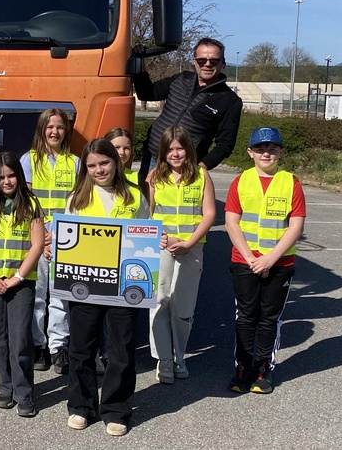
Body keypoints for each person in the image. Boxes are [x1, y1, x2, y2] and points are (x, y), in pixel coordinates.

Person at [59, 138, 149, 437]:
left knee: (121, 349)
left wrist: (155, 241)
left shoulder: (135, 196)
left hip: (123, 285)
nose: (99, 170)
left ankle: (116, 409)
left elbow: (146, 231)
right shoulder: (76, 198)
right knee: (81, 348)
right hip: (85, 283)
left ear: (117, 161)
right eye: (92, 165)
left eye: (104, 163)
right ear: (85, 168)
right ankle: (81, 406)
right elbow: (66, 240)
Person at [224, 127, 305, 395]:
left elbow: (295, 227)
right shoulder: (241, 181)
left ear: (281, 152)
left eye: (272, 148)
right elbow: (231, 222)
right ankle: (242, 367)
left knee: (270, 319)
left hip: (279, 264)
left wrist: (270, 258)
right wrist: (250, 257)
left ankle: (263, 369)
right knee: (245, 317)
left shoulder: (290, 182)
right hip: (244, 262)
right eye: (260, 148)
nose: (266, 153)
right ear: (250, 152)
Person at [0, 152, 45, 418]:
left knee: (20, 341)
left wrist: (17, 277)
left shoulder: (30, 204)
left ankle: (25, 393)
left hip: (21, 283)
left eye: (11, 175)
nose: (7, 181)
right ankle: (6, 388)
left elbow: (37, 245)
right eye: (1, 177)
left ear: (19, 174)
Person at [147, 125, 216, 384]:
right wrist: (159, 237)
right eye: (170, 149)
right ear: (163, 153)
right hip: (162, 247)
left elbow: (209, 214)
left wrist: (189, 242)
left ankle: (179, 356)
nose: (175, 154)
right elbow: (149, 214)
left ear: (189, 149)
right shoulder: (155, 176)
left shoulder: (200, 175)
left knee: (183, 307)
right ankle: (164, 359)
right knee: (160, 302)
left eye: (180, 148)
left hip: (191, 248)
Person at [134, 37, 243, 189]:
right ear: (194, 61)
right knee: (144, 207)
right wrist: (139, 61)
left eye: (214, 61)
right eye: (201, 60)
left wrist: (201, 168)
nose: (207, 64)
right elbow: (147, 93)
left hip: (184, 169)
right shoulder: (181, 79)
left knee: (174, 211)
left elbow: (225, 144)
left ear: (223, 63)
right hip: (152, 159)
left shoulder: (230, 100)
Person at [22, 108, 80, 375]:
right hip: (37, 238)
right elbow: (27, 202)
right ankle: (38, 345)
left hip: (65, 238)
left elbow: (78, 204)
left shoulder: (76, 162)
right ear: (42, 130)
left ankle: (58, 347)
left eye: (59, 127)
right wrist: (41, 238)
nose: (55, 131)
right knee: (37, 296)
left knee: (60, 297)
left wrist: (56, 235)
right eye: (50, 127)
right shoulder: (28, 160)